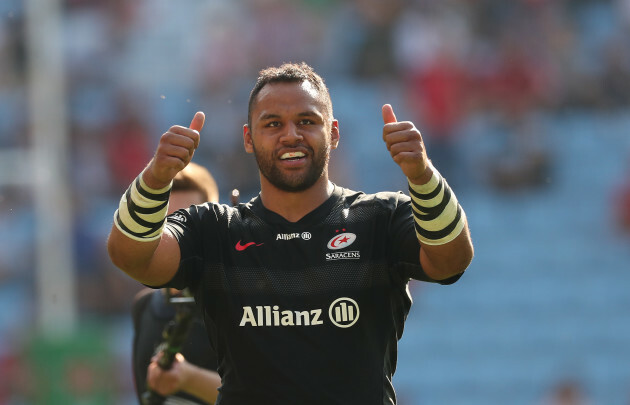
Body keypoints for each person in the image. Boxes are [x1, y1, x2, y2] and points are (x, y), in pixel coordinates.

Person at [108, 62, 474, 404]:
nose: (291, 135)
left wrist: (423, 176)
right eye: (272, 124)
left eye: (306, 121)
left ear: (332, 133)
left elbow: (451, 260)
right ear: (249, 139)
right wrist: (155, 180)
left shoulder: (380, 218)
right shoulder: (215, 230)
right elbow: (133, 256)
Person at [131, 162, 221, 404]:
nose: (179, 235)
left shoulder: (240, 304)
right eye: (168, 223)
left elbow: (264, 393)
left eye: (190, 222)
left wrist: (190, 379)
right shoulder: (145, 306)